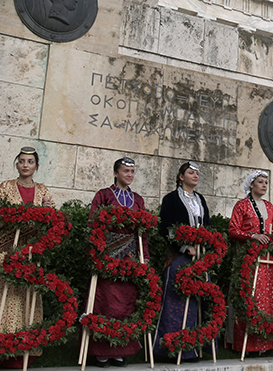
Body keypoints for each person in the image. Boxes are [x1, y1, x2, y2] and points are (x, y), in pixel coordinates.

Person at [0, 146, 56, 368]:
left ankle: (19, 355)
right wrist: (10, 217)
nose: (25, 165)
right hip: (6, 249)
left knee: (25, 299)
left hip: (30, 252)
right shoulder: (5, 188)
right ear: (17, 164)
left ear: (36, 166)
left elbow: (53, 219)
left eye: (30, 162)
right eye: (22, 161)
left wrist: (47, 212)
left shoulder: (43, 191)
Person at [86, 156, 149, 368]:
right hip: (108, 254)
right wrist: (98, 252)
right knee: (105, 302)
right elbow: (93, 223)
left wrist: (144, 256)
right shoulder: (103, 195)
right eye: (125, 171)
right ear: (115, 173)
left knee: (126, 302)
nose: (129, 175)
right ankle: (102, 353)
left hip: (130, 256)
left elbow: (143, 231)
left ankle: (121, 351)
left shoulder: (138, 200)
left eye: (132, 172)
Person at [153, 162, 212, 362]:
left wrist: (205, 246)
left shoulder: (200, 199)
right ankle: (168, 349)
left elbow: (208, 226)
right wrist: (185, 246)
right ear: (180, 176)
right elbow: (165, 227)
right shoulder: (171, 199)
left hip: (200, 258)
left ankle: (192, 349)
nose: (195, 175)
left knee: (198, 301)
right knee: (175, 300)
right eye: (190, 172)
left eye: (197, 173)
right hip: (179, 256)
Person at [227, 170, 273, 355]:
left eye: (266, 182)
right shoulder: (241, 205)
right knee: (250, 297)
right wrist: (252, 236)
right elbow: (233, 230)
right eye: (260, 182)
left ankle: (267, 343)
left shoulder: (270, 206)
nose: (264, 185)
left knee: (268, 297)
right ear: (251, 185)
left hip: (267, 260)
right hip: (248, 259)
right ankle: (248, 344)